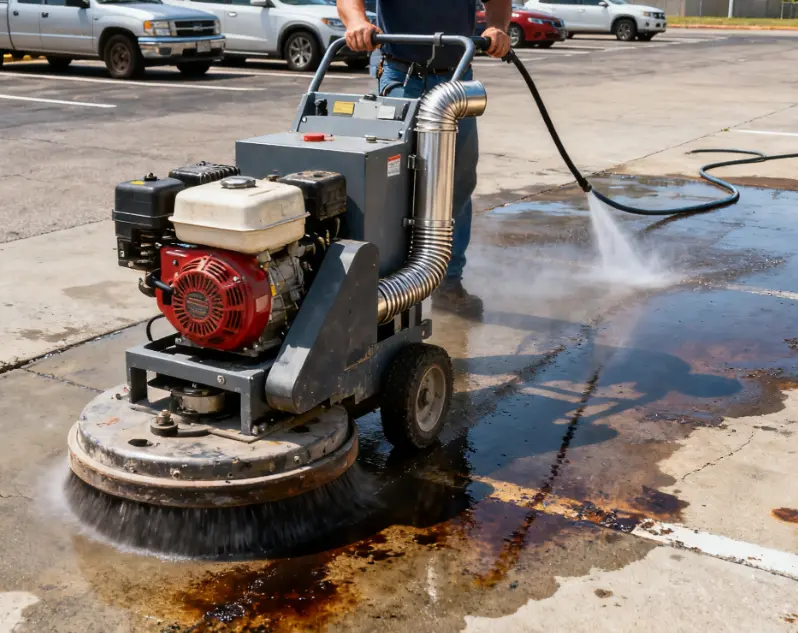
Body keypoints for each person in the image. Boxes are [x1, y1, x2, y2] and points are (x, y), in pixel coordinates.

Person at [337, 0, 511, 317]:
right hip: (400, 73)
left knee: (455, 183)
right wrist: (356, 22)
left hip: (456, 77)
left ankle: (447, 283)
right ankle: (390, 282)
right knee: (393, 181)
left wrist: (497, 27)